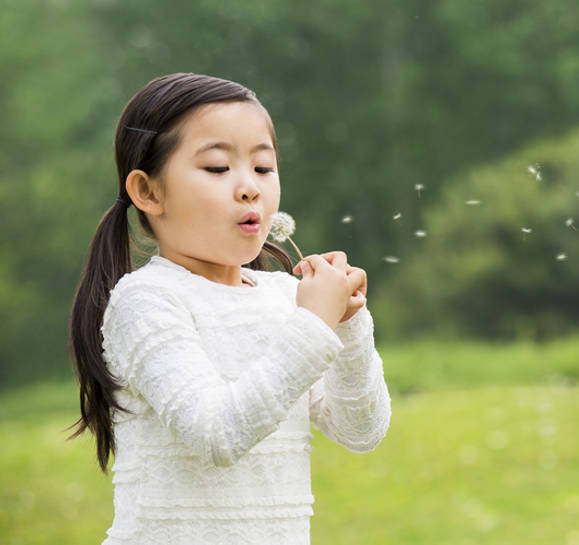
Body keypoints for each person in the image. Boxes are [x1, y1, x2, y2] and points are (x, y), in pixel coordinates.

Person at [66, 73, 391, 544]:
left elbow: (361, 431)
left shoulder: (285, 297)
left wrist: (347, 326)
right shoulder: (147, 301)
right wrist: (314, 323)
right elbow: (218, 433)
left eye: (263, 168)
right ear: (148, 192)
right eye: (218, 168)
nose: (249, 188)